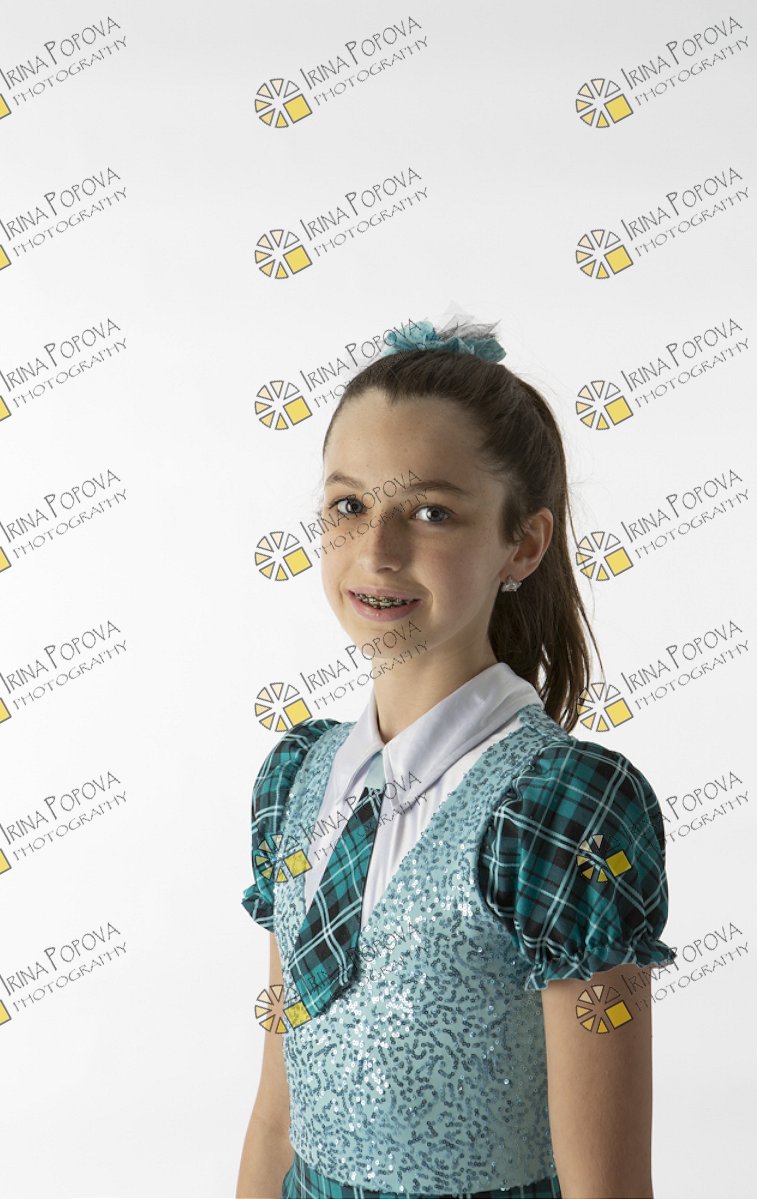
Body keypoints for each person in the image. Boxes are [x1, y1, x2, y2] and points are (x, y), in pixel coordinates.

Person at [236, 315, 677, 1199]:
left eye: (431, 512)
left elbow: (608, 1185)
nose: (378, 550)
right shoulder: (295, 783)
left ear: (524, 543)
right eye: (349, 506)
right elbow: (277, 1117)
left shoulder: (566, 815)